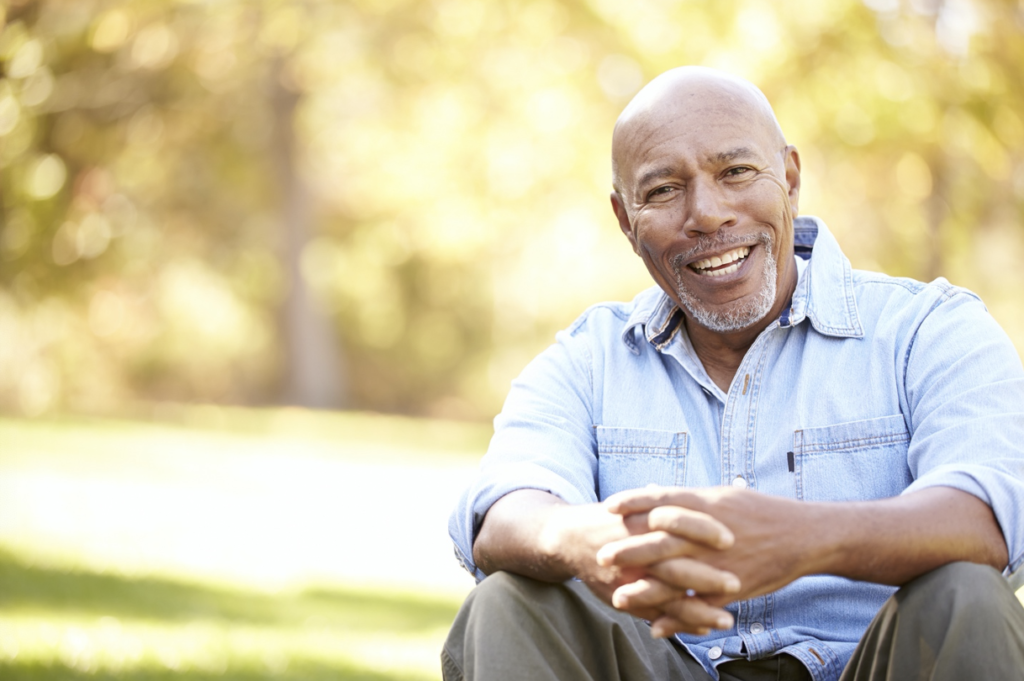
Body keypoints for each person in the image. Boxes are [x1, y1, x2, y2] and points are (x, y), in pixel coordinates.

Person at [443, 66, 1024, 681]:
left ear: (790, 179)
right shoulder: (589, 359)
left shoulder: (927, 328)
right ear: (624, 219)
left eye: (736, 172)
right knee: (508, 602)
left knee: (967, 593)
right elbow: (505, 510)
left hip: (871, 666)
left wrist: (806, 539)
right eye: (664, 189)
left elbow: (989, 514)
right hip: (665, 664)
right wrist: (587, 540)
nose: (707, 213)